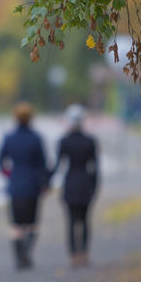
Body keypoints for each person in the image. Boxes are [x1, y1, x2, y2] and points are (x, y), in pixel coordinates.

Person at [0, 102, 50, 270]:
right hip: (33, 185)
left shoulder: (9, 138)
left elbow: (0, 160)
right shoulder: (36, 139)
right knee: (32, 224)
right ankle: (27, 252)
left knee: (16, 225)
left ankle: (19, 258)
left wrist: (8, 174)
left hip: (15, 184)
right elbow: (43, 164)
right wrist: (45, 183)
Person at [52, 104, 99, 268]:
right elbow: (95, 168)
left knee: (71, 222)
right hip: (85, 183)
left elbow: (57, 166)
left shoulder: (64, 141)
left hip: (70, 183)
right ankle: (84, 253)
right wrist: (94, 187)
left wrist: (44, 179)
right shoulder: (90, 141)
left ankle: (73, 255)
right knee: (85, 221)